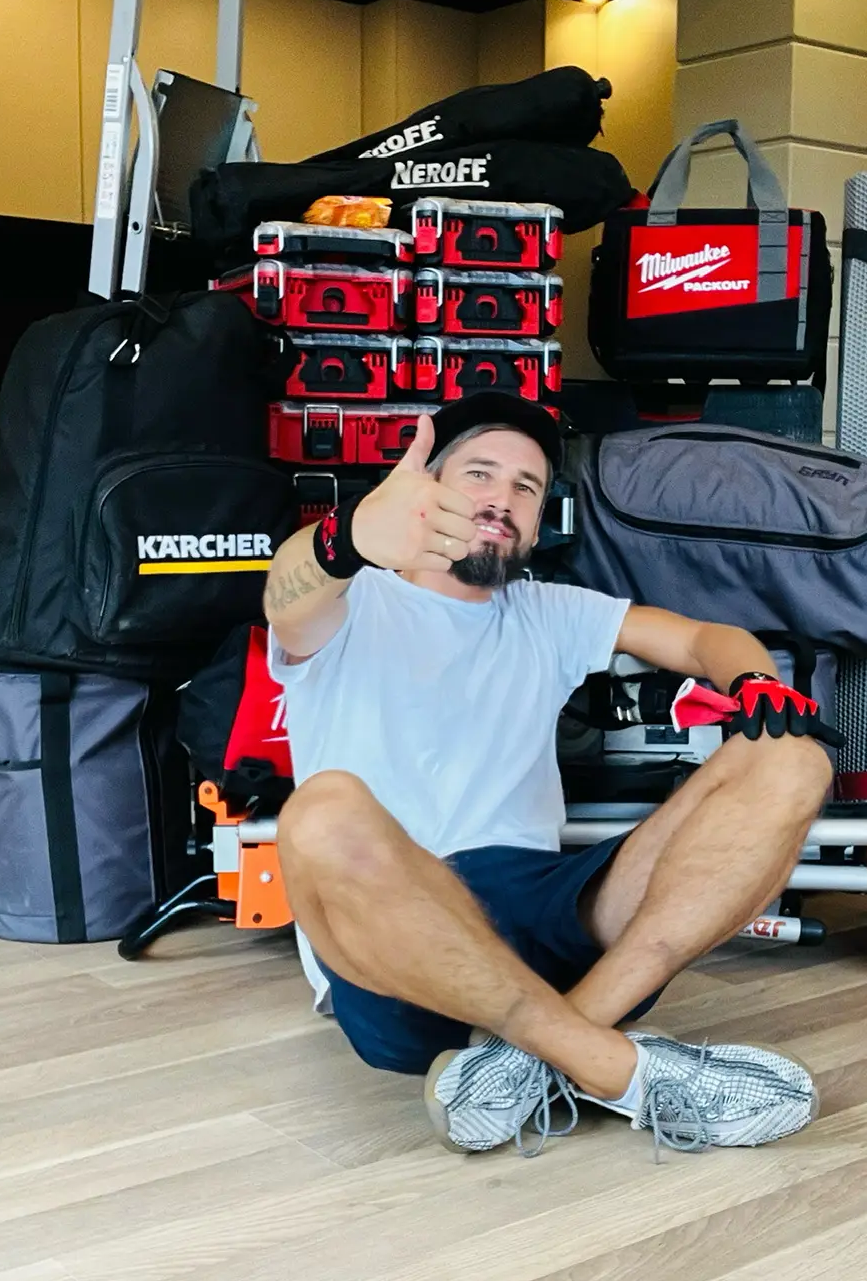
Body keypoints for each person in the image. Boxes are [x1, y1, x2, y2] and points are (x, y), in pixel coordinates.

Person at [263, 391, 836, 1157]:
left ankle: (538, 1054)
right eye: (479, 474)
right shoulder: (351, 601)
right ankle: (618, 1070)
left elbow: (705, 638)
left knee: (792, 757)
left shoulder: (549, 612)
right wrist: (351, 536)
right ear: (426, 490)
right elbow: (288, 592)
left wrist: (756, 683)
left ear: (537, 524)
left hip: (543, 908)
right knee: (321, 812)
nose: (501, 497)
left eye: (525, 487)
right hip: (399, 943)